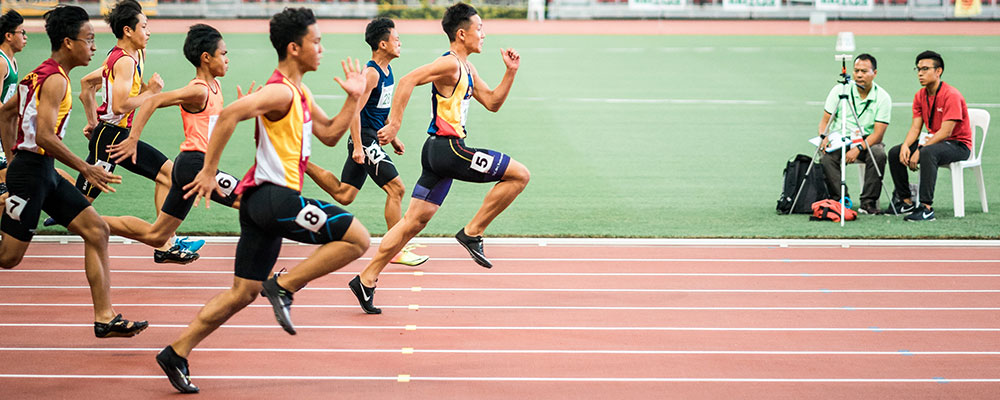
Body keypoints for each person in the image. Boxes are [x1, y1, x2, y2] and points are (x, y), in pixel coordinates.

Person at [155, 8, 369, 394]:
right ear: (294, 47)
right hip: (275, 198)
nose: (321, 49)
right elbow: (229, 116)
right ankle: (285, 286)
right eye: (315, 42)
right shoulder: (280, 90)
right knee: (358, 239)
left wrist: (355, 98)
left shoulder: (299, 91)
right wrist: (208, 170)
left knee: (244, 292)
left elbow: (332, 134)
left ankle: (176, 351)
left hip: (259, 205)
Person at [347, 2, 531, 314]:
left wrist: (510, 72)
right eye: (479, 29)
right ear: (462, 34)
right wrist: (394, 124)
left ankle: (366, 279)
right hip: (449, 150)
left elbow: (493, 102)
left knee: (411, 223)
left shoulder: (467, 68)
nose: (483, 35)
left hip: (437, 154)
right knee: (519, 175)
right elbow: (407, 81)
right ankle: (472, 233)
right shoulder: (449, 65)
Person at [0, 5, 148, 338]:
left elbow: (5, 114)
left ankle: (105, 317)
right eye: (89, 39)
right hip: (32, 173)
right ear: (69, 43)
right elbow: (44, 136)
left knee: (96, 230)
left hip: (40, 170)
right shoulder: (53, 80)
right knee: (8, 258)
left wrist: (12, 160)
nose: (94, 46)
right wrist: (86, 168)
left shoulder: (40, 74)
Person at [66, 0, 201, 263]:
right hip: (112, 138)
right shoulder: (125, 61)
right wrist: (151, 93)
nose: (148, 32)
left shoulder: (136, 54)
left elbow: (88, 84)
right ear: (128, 30)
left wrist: (93, 121)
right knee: (79, 206)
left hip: (114, 134)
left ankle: (166, 242)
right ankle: (45, 187)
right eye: (144, 27)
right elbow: (120, 104)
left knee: (168, 175)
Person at [99, 24, 243, 258]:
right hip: (195, 166)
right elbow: (152, 101)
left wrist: (240, 108)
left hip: (188, 166)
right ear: (206, 58)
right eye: (223, 54)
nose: (227, 59)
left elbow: (214, 125)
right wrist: (133, 138)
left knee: (156, 235)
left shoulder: (214, 85)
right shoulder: (199, 90)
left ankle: (85, 218)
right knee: (250, 203)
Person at [305, 17, 429, 267]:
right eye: (396, 39)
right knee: (397, 189)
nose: (400, 43)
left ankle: (301, 162)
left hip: (373, 137)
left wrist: (393, 137)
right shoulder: (371, 73)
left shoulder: (387, 71)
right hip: (365, 139)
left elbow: (377, 111)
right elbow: (354, 111)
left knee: (345, 194)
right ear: (382, 44)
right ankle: (395, 249)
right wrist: (359, 146)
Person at [885, 50, 972, 221]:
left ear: (938, 71)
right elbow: (916, 128)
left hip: (957, 145)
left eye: (925, 69)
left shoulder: (951, 95)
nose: (920, 73)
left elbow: (946, 132)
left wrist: (921, 148)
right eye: (918, 69)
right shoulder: (920, 96)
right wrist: (905, 146)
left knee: (927, 153)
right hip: (933, 142)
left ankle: (926, 207)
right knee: (895, 153)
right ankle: (906, 201)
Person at [816, 53, 891, 215]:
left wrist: (857, 148)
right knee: (826, 157)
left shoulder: (883, 98)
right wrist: (824, 137)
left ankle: (868, 202)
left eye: (864, 71)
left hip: (867, 141)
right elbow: (824, 122)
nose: (859, 75)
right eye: (856, 70)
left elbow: (878, 135)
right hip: (840, 139)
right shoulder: (840, 90)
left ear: (874, 73)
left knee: (878, 153)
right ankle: (841, 200)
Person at [1, 10, 27, 199]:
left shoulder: (12, 61)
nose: (25, 37)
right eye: (22, 32)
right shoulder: (1, 62)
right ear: (9, 36)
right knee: (6, 179)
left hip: (4, 127)